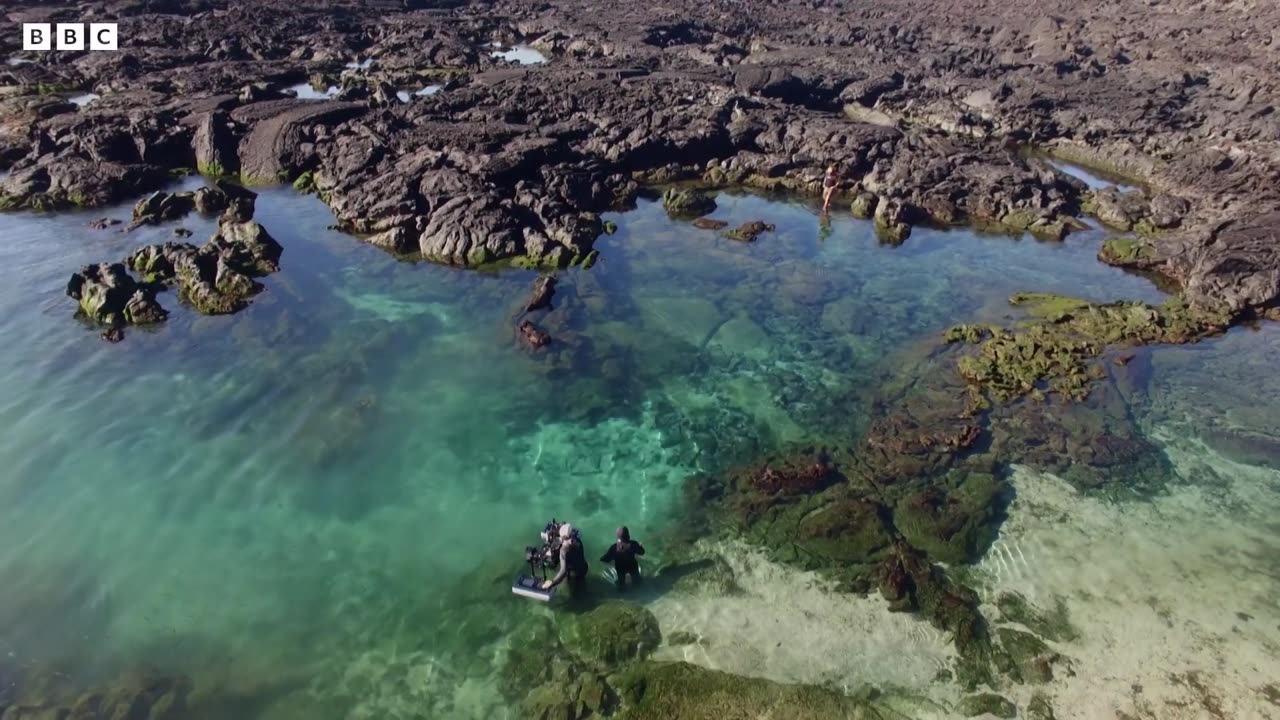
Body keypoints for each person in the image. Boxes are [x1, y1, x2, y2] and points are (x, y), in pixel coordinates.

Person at [542, 523, 588, 594]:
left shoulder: (564, 550)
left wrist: (552, 582)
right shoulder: (577, 541)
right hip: (584, 569)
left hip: (573, 575)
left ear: (562, 536)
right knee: (582, 587)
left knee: (573, 591)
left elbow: (563, 571)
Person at [600, 526, 645, 590]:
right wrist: (640, 547)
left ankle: (622, 590)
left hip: (621, 568)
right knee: (637, 581)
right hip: (632, 565)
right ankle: (637, 587)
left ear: (618, 536)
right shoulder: (634, 544)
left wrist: (605, 559)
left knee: (621, 583)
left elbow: (605, 559)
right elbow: (642, 552)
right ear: (628, 535)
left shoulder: (614, 547)